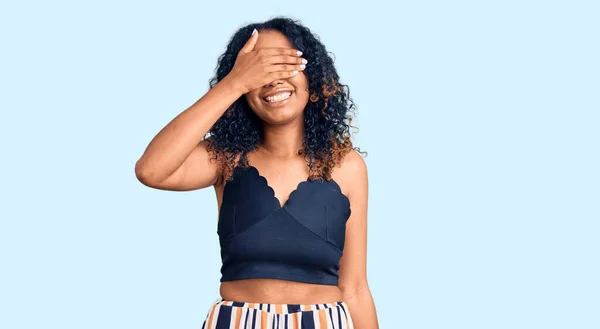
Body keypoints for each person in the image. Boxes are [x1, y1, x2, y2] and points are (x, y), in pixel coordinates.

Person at [135, 17, 378, 329]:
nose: (271, 79)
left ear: (314, 83)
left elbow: (355, 288)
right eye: (258, 70)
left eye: (283, 65)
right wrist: (235, 82)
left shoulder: (346, 166)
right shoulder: (226, 158)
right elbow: (151, 170)